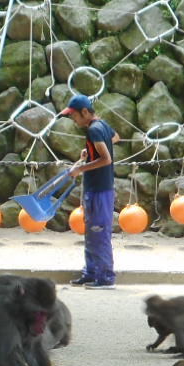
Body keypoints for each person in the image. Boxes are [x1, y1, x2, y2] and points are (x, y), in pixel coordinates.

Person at [62, 95, 117, 288]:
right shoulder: (101, 125)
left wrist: (79, 169)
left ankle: (105, 278)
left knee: (98, 232)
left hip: (99, 189)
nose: (74, 120)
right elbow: (114, 137)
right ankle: (91, 272)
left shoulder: (94, 130)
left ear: (85, 112)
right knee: (92, 232)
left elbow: (106, 159)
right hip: (99, 188)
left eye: (74, 116)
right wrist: (89, 151)